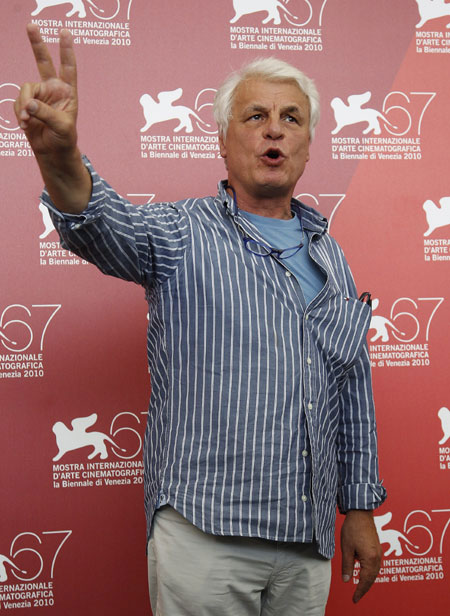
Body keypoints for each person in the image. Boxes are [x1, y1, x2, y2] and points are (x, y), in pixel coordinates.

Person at [16, 24, 387, 616]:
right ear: (221, 139)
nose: (275, 129)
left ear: (309, 144)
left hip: (309, 542)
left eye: (293, 119)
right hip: (206, 531)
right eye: (256, 116)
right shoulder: (182, 232)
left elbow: (352, 388)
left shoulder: (331, 255)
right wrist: (58, 155)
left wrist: (360, 508)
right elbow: (103, 226)